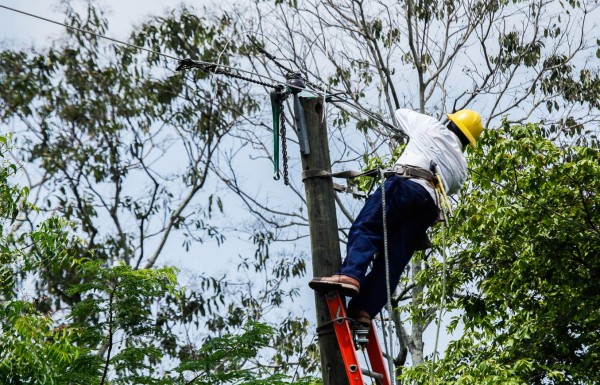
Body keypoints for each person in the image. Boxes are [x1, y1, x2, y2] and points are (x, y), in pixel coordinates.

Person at [309, 108, 484, 326]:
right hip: (428, 206)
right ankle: (365, 309)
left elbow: (400, 113)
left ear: (450, 124)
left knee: (367, 228)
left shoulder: (431, 126)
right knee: (394, 259)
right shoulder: (462, 168)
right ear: (467, 142)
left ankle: (350, 275)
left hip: (404, 184)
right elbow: (451, 186)